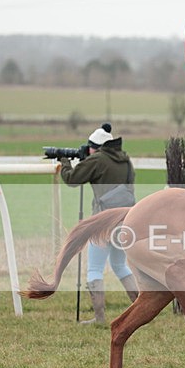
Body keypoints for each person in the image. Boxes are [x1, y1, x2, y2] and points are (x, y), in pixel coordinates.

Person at [58, 123, 138, 324]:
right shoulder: (125, 160)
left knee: (94, 269)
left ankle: (99, 317)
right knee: (120, 265)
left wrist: (65, 162)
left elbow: (72, 179)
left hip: (102, 221)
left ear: (94, 147)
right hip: (126, 219)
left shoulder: (97, 160)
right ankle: (141, 310)